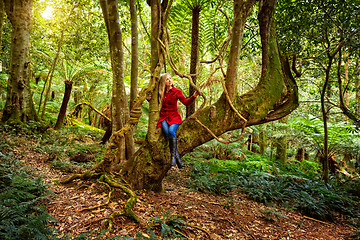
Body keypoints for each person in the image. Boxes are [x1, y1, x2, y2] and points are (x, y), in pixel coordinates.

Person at [147, 73, 199, 168]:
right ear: (163, 82)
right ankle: (177, 157)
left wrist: (194, 96)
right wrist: (148, 99)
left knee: (171, 131)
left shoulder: (177, 92)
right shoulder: (160, 92)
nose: (170, 80)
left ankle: (172, 157)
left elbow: (186, 102)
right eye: (167, 79)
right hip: (163, 117)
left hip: (174, 117)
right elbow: (154, 102)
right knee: (167, 133)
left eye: (170, 78)